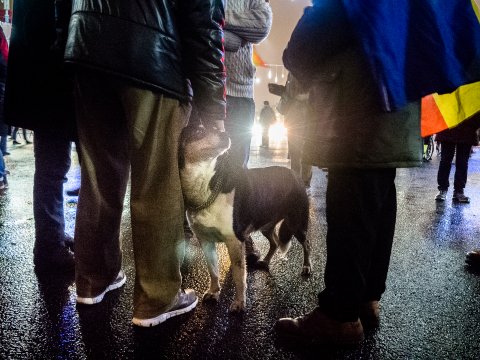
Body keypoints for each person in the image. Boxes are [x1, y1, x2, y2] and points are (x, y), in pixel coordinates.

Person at [64, 0, 226, 327]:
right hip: (151, 54)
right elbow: (204, 16)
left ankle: (94, 278)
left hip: (85, 44)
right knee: (158, 179)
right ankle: (158, 297)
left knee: (97, 176)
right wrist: (214, 106)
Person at [274, 1, 423, 345]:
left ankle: (340, 314)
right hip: (394, 89)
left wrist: (299, 46)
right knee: (379, 193)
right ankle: (366, 297)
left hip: (358, 94)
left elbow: (336, 15)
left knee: (351, 198)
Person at [5, 0, 76, 270]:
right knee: (61, 168)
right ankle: (50, 246)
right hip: (57, 75)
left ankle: (51, 238)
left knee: (50, 168)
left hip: (40, 77)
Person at [224, 0, 272, 266]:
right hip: (208, 89)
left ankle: (240, 231)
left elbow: (262, 25)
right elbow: (209, 31)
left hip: (241, 96)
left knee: (238, 166)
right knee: (201, 162)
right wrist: (238, 32)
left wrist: (220, 18)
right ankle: (196, 227)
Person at [269, 73, 313, 187]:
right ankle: (300, 180)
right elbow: (290, 92)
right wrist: (280, 90)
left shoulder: (305, 70)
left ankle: (302, 180)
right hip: (296, 116)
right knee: (297, 151)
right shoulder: (294, 72)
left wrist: (303, 96)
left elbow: (296, 93)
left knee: (302, 150)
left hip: (303, 115)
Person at [434, 114, 480, 203]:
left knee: (457, 161)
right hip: (455, 125)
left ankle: (451, 190)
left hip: (463, 126)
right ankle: (452, 190)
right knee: (448, 160)